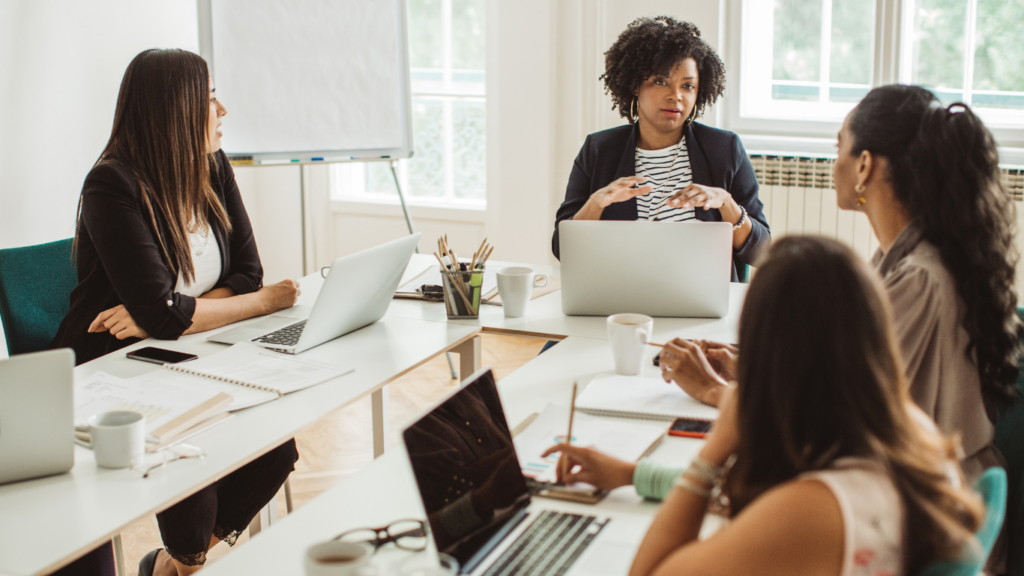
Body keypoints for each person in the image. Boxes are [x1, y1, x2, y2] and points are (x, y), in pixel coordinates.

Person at [552, 236, 985, 576]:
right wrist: (632, 474)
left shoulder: (813, 511)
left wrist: (714, 448)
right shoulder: (908, 430)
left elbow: (648, 573)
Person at [656, 85, 1022, 481]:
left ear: (864, 166)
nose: (834, 164)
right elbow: (845, 381)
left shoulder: (920, 279)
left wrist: (713, 390)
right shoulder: (898, 256)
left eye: (839, 147)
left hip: (927, 502)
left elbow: (839, 423)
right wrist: (747, 370)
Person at [50, 48, 299, 576]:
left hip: (185, 347)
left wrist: (173, 313)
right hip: (113, 364)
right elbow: (255, 290)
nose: (223, 110)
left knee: (276, 450)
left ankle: (172, 566)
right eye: (211, 98)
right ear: (176, 108)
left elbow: (246, 272)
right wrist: (264, 304)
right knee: (198, 465)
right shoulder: (111, 185)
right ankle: (183, 565)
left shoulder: (213, 166)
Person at [551, 16, 770, 281]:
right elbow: (562, 249)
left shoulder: (724, 149)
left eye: (687, 86)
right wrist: (595, 204)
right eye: (660, 81)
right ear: (635, 85)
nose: (676, 95)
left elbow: (762, 252)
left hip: (701, 300)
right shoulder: (599, 150)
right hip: (621, 299)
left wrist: (726, 203)